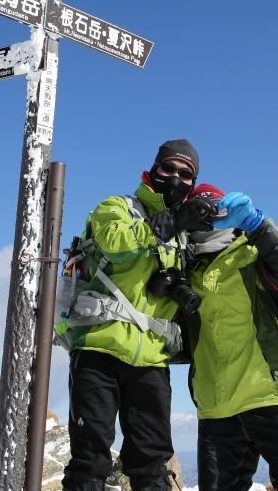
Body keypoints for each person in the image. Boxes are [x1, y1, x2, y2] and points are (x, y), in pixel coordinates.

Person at [61, 140, 217, 491]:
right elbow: (115, 244)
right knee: (90, 458)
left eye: (186, 173)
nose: (176, 177)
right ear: (152, 170)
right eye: (168, 168)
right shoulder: (117, 206)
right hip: (99, 347)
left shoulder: (184, 236)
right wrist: (171, 222)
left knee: (152, 462)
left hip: (151, 359)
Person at [183, 183, 278, 491]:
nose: (208, 214)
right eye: (199, 208)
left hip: (272, 393)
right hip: (216, 405)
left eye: (214, 206)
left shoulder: (251, 253)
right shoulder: (186, 270)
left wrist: (256, 223)